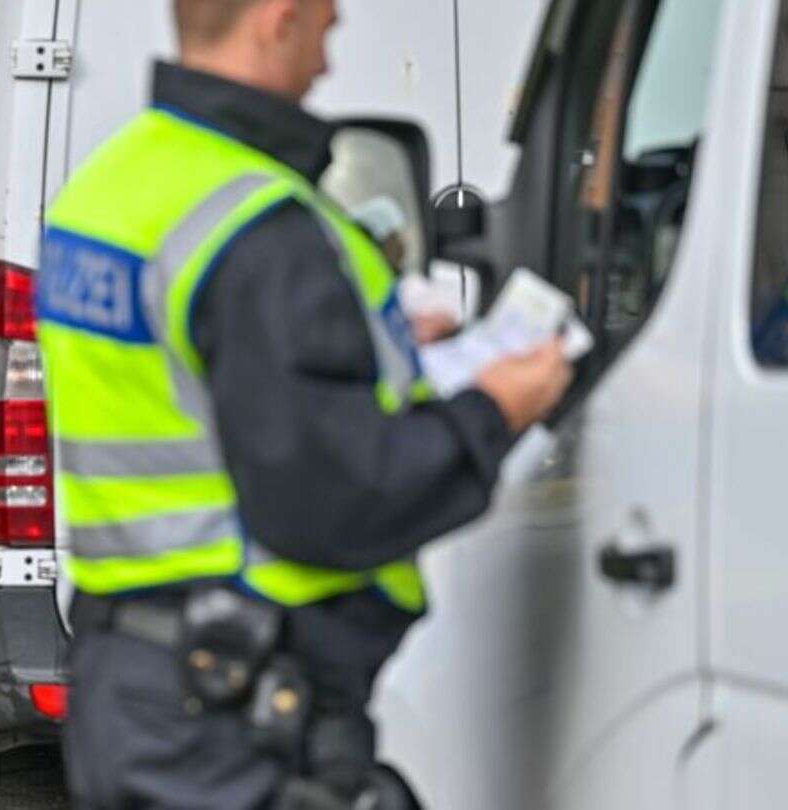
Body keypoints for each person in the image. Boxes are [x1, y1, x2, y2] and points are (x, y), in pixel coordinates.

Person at [36, 1, 573, 807]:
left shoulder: (113, 186)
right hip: (239, 707)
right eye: (325, 15)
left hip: (135, 680)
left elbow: (198, 385)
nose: (333, 40)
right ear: (276, 17)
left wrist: (376, 343)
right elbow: (335, 498)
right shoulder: (257, 224)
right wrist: (496, 408)